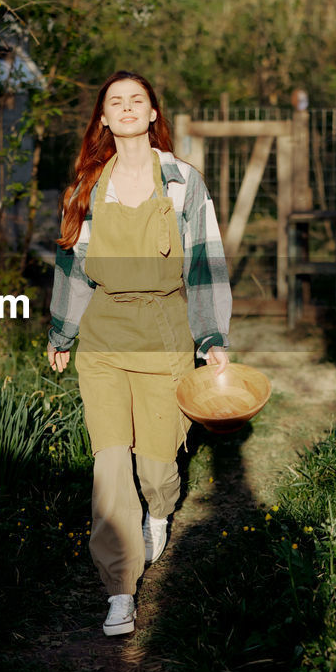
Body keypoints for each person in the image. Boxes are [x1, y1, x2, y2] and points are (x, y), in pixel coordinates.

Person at [47, 70, 231, 636]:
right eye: (115, 102)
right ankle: (119, 588)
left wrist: (212, 338)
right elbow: (73, 266)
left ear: (153, 115)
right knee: (108, 463)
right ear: (102, 118)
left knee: (156, 465)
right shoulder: (87, 186)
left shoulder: (181, 182)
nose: (126, 109)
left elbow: (204, 264)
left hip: (165, 327)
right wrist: (62, 333)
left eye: (137, 101)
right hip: (104, 333)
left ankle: (158, 512)